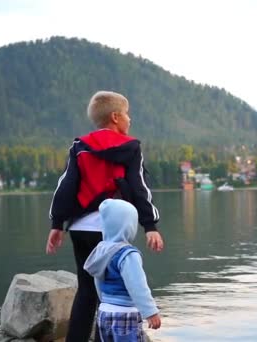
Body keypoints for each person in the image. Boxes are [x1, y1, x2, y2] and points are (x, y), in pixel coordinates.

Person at [46, 90, 163, 342]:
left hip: (81, 229)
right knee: (110, 294)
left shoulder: (79, 146)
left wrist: (57, 224)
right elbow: (139, 187)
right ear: (115, 117)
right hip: (113, 230)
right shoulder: (131, 148)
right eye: (127, 114)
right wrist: (150, 225)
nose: (130, 120)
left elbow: (66, 186)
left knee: (86, 291)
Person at [84, 199, 161, 341]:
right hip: (125, 314)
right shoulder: (128, 254)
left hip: (104, 312)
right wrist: (150, 311)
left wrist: (105, 301)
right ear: (128, 226)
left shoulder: (101, 249)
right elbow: (137, 286)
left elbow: (97, 279)